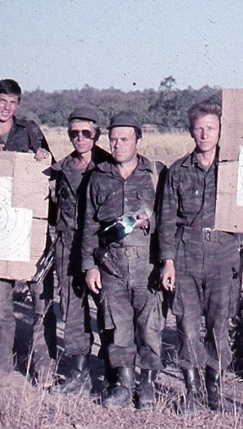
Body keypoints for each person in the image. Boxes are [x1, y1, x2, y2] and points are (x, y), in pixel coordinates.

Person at [0, 79, 56, 386]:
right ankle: (2, 366)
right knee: (0, 305)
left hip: (30, 230)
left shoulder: (29, 131)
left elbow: (50, 170)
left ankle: (43, 367)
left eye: (13, 103)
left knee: (41, 303)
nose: (8, 108)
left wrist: (44, 156)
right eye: (3, 101)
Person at [158, 101, 243, 413]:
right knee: (187, 325)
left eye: (212, 128)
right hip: (186, 254)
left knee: (219, 325)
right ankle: (192, 391)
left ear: (221, 131)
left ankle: (214, 387)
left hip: (223, 253)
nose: (205, 134)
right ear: (190, 130)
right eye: (199, 128)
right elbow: (166, 220)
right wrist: (168, 260)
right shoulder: (177, 171)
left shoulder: (235, 169)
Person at [82, 112, 164, 410]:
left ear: (138, 142)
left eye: (124, 139)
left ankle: (148, 386)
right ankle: (123, 384)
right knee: (117, 327)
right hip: (111, 266)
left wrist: (150, 220)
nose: (117, 145)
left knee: (149, 327)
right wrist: (89, 266)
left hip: (147, 265)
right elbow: (88, 225)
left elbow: (169, 221)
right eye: (113, 139)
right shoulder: (98, 176)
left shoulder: (156, 174)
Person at [48, 107, 110, 395]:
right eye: (74, 133)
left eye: (86, 133)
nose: (80, 139)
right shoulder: (60, 169)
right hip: (67, 246)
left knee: (109, 308)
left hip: (101, 248)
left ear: (96, 134)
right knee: (73, 308)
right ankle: (79, 371)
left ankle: (113, 370)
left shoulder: (108, 166)